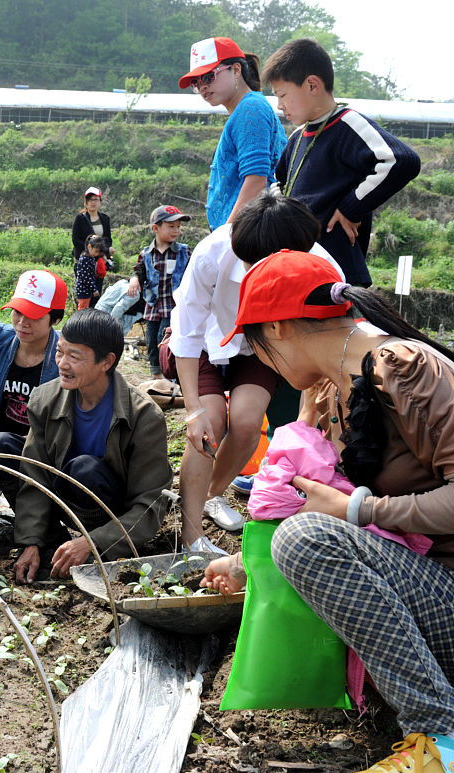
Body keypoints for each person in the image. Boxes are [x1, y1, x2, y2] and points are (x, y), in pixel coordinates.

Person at [201, 250, 454, 773]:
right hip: (430, 592)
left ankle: (445, 748)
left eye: (258, 348)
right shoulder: (340, 388)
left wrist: (359, 511)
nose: (262, 363)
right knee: (300, 539)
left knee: (303, 536)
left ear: (279, 328)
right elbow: (340, 518)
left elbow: (347, 517)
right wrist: (251, 565)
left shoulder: (409, 370)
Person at [171, 191, 340, 548]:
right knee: (210, 423)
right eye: (251, 265)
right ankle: (190, 536)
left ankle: (210, 495)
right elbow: (187, 333)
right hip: (206, 342)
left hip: (258, 347)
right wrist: (192, 412)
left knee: (247, 424)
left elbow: (327, 344)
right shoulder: (211, 253)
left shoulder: (322, 266)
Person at [12, 309, 172, 583]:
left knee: (85, 468)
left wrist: (93, 542)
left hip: (110, 513)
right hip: (64, 500)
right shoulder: (44, 400)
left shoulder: (143, 416)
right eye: (60, 352)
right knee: (4, 448)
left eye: (75, 356)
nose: (62, 363)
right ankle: (52, 542)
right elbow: (34, 476)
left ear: (106, 362)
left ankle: (93, 550)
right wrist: (31, 542)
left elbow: (150, 503)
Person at [263, 37, 421, 288]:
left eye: (282, 95)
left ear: (312, 85)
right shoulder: (296, 138)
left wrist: (351, 206)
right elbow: (277, 181)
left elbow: (402, 160)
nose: (280, 106)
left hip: (337, 272)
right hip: (298, 266)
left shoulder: (348, 124)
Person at [0, 269, 66, 509]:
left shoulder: (65, 355)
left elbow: (67, 417)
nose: (22, 322)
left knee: (1, 445)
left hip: (39, 442)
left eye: (33, 316)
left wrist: (32, 439)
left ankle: (32, 511)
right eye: (17, 312)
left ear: (55, 318)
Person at [180, 37, 287, 228]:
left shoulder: (251, 108)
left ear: (236, 70)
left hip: (250, 232)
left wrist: (225, 238)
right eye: (196, 82)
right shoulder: (246, 108)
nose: (203, 86)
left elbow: (256, 181)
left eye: (208, 76)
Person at [127, 205, 193, 379]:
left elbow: (195, 273)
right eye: (171, 226)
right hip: (153, 306)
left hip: (173, 306)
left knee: (164, 340)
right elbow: (139, 270)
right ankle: (156, 376)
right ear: (155, 228)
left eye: (178, 227)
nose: (176, 230)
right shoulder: (147, 253)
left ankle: (169, 375)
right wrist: (135, 280)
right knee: (151, 341)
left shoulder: (184, 252)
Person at [71, 186, 114, 262]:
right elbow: (76, 240)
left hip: (100, 258)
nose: (93, 202)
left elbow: (108, 239)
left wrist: (104, 251)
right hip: (84, 258)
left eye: (96, 200)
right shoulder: (80, 218)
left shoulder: (105, 219)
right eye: (90, 200)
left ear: (100, 202)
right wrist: (90, 250)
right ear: (86, 203)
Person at [73, 235, 108, 310]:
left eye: (98, 252)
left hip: (87, 290)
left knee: (86, 308)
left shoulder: (90, 258)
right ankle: (79, 321)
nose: (96, 254)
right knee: (83, 309)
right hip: (83, 290)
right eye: (96, 251)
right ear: (89, 246)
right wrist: (94, 290)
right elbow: (87, 278)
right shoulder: (85, 260)